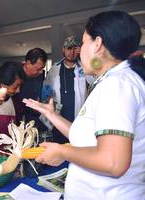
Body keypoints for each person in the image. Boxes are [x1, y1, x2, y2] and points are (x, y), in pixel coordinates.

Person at [23, 10, 145, 200]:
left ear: (97, 44)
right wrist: (52, 114)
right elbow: (86, 137)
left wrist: (63, 151)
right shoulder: (112, 81)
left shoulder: (117, 86)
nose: (79, 51)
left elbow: (113, 162)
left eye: (83, 42)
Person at [43, 36, 88, 144]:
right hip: (59, 117)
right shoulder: (54, 69)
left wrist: (84, 56)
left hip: (77, 117)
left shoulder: (85, 67)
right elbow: (46, 88)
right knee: (59, 148)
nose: (71, 52)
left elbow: (95, 79)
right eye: (68, 48)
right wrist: (46, 98)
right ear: (63, 49)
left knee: (77, 148)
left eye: (74, 49)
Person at [20, 47, 48, 132]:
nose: (40, 72)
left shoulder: (38, 75)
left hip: (40, 119)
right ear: (28, 63)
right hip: (23, 122)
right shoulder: (16, 75)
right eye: (38, 69)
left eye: (42, 69)